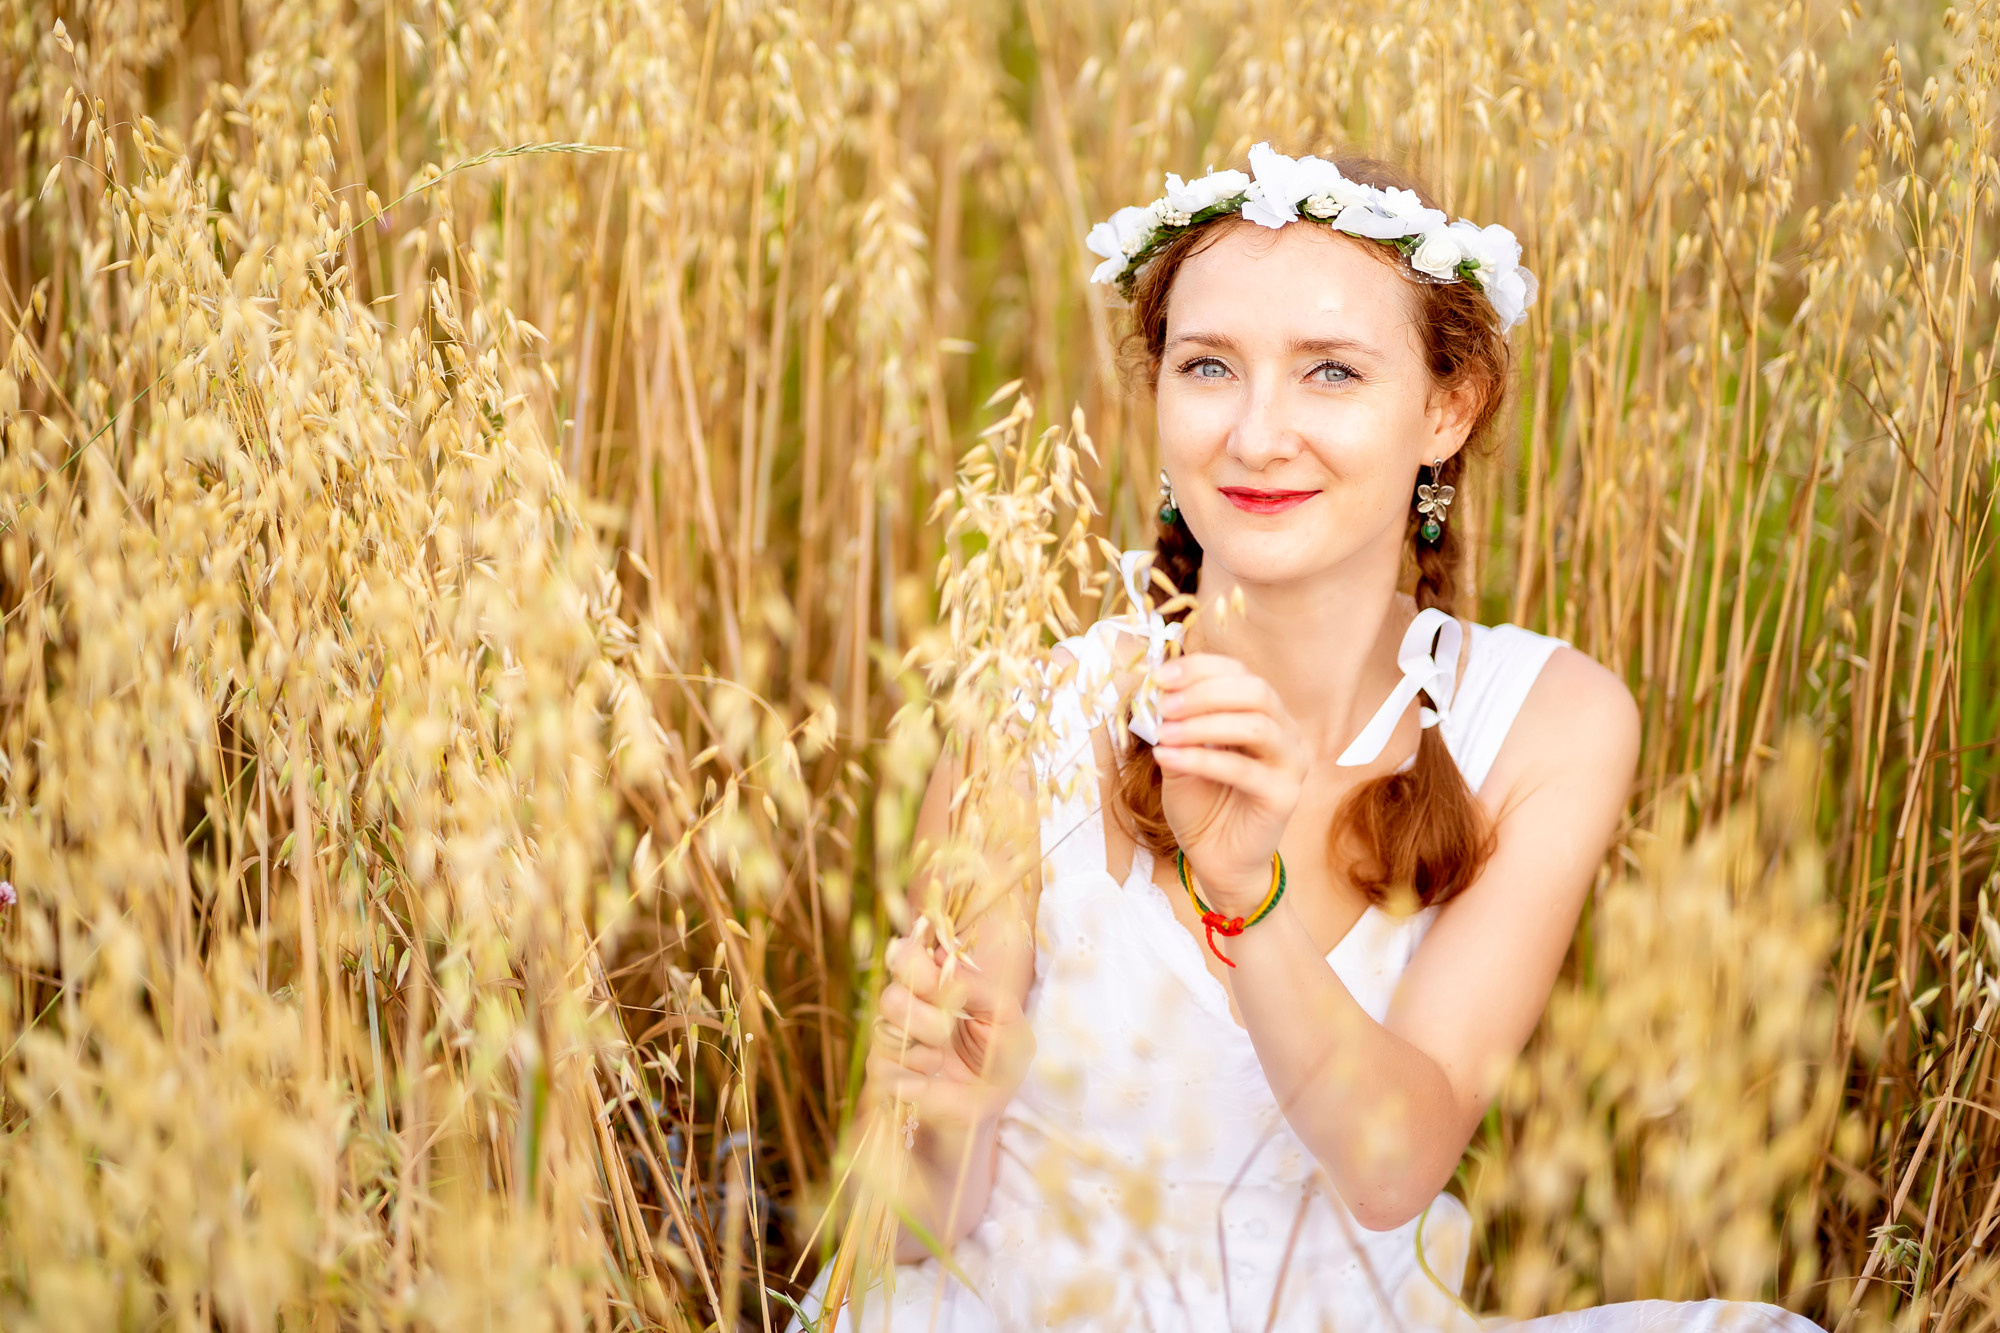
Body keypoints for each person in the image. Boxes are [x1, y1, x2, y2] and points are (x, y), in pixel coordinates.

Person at [795, 144, 1821, 1333]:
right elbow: (928, 1219)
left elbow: (1392, 1172)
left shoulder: (1545, 720)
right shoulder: (1030, 715)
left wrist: (1248, 899)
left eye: (1330, 371)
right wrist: (946, 1108)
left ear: (1446, 407)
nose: (1258, 432)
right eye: (1208, 367)